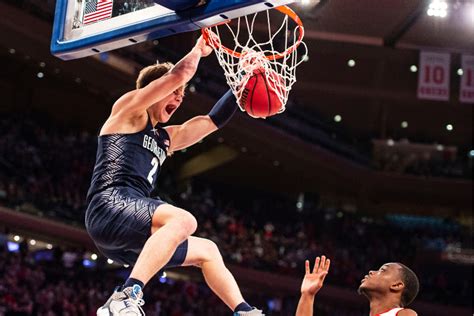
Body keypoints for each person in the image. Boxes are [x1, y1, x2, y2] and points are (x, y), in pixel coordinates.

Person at [85, 36, 262, 316]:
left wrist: (242, 78)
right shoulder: (129, 110)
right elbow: (179, 73)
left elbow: (210, 122)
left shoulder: (166, 137)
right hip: (110, 204)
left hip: (126, 233)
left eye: (182, 94)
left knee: (208, 251)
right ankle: (126, 296)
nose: (179, 98)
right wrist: (197, 51)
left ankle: (244, 312)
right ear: (155, 89)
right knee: (183, 220)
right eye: (175, 91)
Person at [296, 257, 419, 316]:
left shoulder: (405, 314)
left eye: (383, 270)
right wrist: (307, 295)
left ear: (397, 285)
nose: (371, 271)